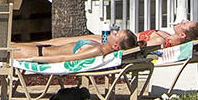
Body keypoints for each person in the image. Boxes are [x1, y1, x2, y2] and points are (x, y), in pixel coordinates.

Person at [11, 28, 140, 61]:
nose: (114, 32)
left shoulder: (97, 50)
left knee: (2, 48)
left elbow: (65, 58)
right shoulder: (100, 44)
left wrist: (34, 59)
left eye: (117, 34)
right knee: (7, 44)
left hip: (37, 53)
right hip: (40, 48)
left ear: (116, 46)